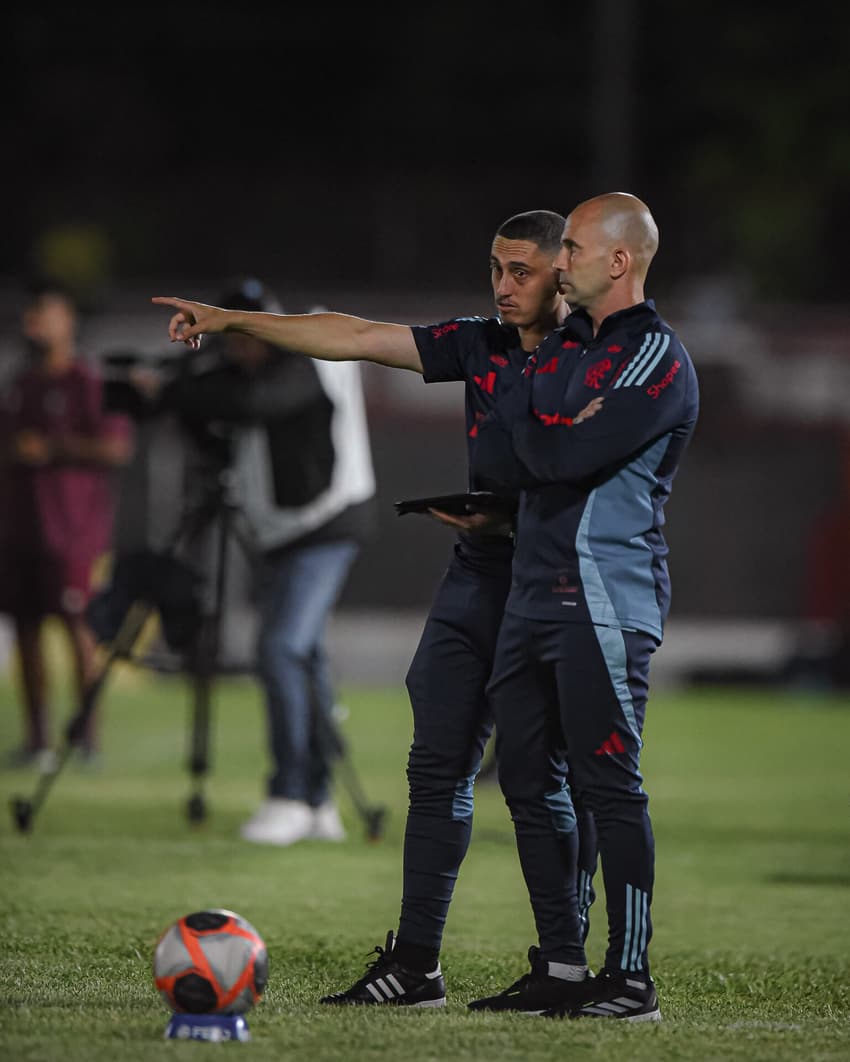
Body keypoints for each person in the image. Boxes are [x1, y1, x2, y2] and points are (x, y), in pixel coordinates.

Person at [152, 210, 601, 1009]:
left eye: (520, 272)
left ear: (565, 273)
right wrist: (230, 321)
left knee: (538, 780)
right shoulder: (480, 342)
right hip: (477, 574)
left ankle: (564, 967)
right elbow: (355, 335)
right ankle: (416, 964)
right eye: (495, 269)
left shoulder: (598, 353)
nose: (502, 287)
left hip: (552, 579)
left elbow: (614, 481)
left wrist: (519, 518)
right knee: (435, 768)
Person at [460, 192, 700, 1020]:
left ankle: (629, 978)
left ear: (620, 262)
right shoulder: (562, 348)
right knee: (528, 783)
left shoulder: (655, 358)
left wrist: (538, 421)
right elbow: (505, 450)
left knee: (609, 787)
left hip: (602, 599)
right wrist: (541, 424)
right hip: (532, 593)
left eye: (573, 250)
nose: (559, 264)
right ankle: (562, 965)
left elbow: (560, 454)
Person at [156, 277, 378, 846]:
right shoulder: (240, 374)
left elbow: (250, 403)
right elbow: (218, 409)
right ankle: (319, 797)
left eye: (245, 332)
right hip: (281, 533)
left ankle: (293, 793)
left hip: (327, 525)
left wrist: (177, 388)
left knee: (280, 648)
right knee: (303, 657)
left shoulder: (298, 363)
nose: (240, 348)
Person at [0, 280, 134, 768]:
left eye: (44, 315)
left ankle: (85, 736)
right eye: (30, 316)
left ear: (67, 323)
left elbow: (118, 448)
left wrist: (53, 449)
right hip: (19, 530)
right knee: (26, 632)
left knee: (79, 630)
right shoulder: (20, 382)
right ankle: (37, 739)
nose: (33, 325)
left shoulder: (90, 381)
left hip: (72, 533)